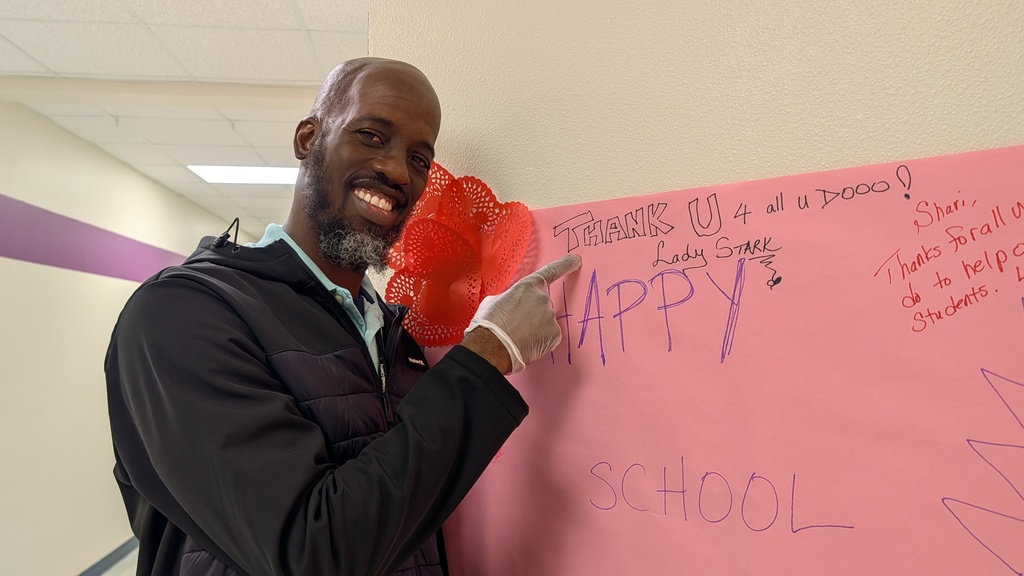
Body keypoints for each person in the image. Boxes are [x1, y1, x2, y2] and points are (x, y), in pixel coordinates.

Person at [104, 57, 582, 576]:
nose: (398, 170)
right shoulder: (183, 315)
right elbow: (313, 552)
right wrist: (487, 356)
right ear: (308, 139)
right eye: (373, 135)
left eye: (420, 159)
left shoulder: (400, 341)